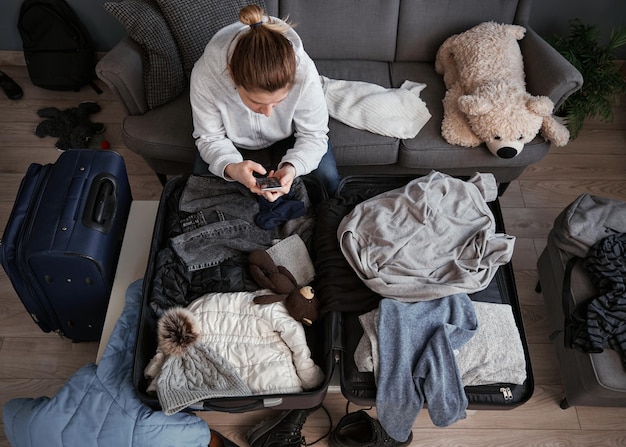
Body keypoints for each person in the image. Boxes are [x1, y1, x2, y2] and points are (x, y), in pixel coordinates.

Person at [190, 4, 341, 201]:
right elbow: (209, 137)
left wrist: (292, 168)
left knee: (328, 179)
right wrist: (232, 167)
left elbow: (314, 135)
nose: (268, 113)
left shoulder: (304, 71)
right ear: (232, 75)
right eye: (257, 102)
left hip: (289, 136)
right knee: (202, 190)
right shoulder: (205, 75)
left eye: (278, 103)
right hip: (230, 140)